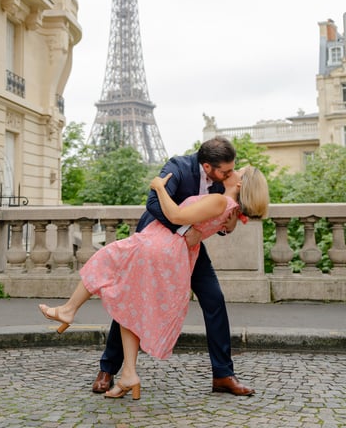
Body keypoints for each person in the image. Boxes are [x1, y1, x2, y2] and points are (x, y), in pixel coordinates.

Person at [39, 166, 269, 400]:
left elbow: (182, 216)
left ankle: (69, 310)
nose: (233, 169)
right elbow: (218, 211)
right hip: (172, 246)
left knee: (106, 267)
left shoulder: (221, 197)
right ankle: (123, 372)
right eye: (230, 167)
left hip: (164, 245)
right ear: (209, 164)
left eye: (237, 170)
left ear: (240, 184)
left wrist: (159, 186)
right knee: (130, 301)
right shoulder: (187, 172)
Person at [92, 136, 258, 397]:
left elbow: (218, 217)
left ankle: (223, 375)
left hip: (191, 250)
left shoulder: (222, 181)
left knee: (214, 299)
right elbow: (154, 203)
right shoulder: (178, 167)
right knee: (132, 299)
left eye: (231, 169)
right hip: (157, 245)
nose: (231, 174)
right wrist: (185, 230)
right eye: (225, 171)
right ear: (207, 167)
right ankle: (107, 368)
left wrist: (228, 224)